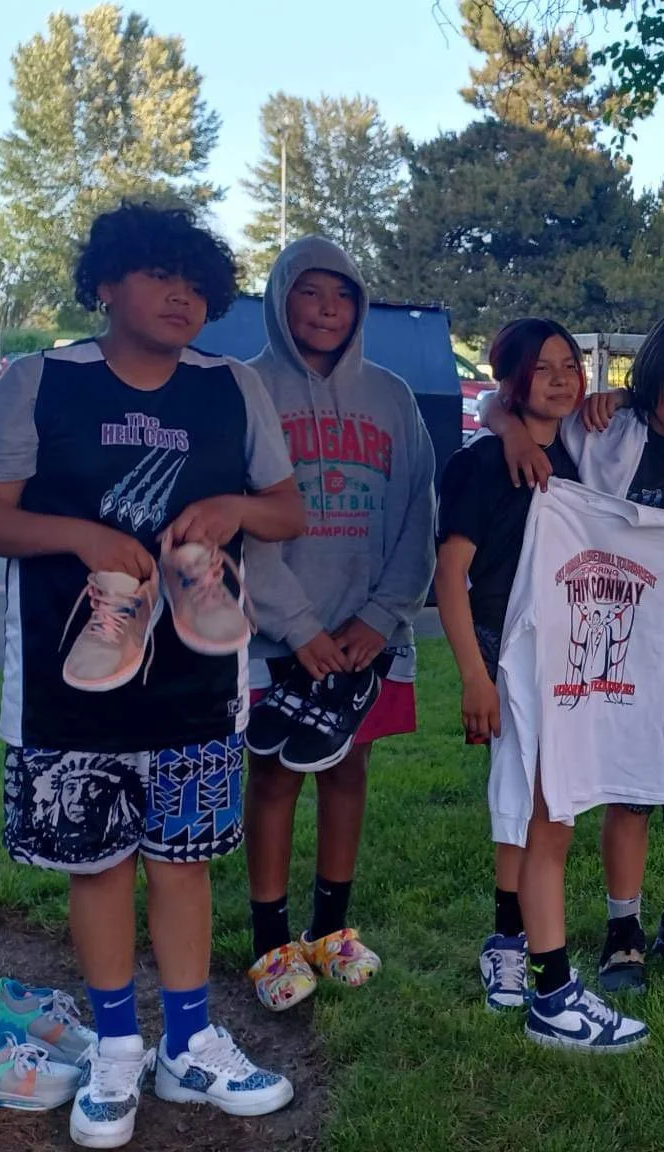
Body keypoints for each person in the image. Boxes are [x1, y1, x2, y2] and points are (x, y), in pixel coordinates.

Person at [0, 201, 304, 1149]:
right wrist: (81, 534)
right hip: (74, 680)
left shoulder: (232, 389)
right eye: (156, 274)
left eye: (195, 280)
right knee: (98, 865)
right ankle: (114, 1047)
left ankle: (187, 1042)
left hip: (200, 676)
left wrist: (231, 506)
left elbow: (288, 510)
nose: (181, 294)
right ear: (106, 283)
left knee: (183, 864)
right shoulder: (41, 382)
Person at [482, 315, 664, 1015]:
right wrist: (514, 432)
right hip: (609, 645)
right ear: (647, 385)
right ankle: (623, 928)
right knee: (629, 787)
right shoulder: (604, 429)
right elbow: (507, 402)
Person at [239, 236, 437, 1012]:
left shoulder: (391, 397)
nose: (327, 308)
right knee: (276, 774)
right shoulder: (246, 388)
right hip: (274, 633)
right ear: (280, 298)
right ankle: (269, 940)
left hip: (367, 633)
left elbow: (417, 517)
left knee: (348, 766)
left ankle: (330, 929)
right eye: (310, 292)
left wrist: (382, 618)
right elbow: (242, 529)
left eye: (343, 294)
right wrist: (297, 627)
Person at [433, 317, 588, 1018]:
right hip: (505, 645)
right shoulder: (479, 464)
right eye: (542, 367)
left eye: (570, 365)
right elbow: (450, 574)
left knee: (536, 800)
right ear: (508, 378)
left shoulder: (578, 455)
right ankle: (517, 950)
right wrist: (474, 674)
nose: (560, 378)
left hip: (563, 649)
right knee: (527, 797)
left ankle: (516, 934)